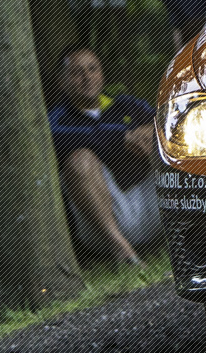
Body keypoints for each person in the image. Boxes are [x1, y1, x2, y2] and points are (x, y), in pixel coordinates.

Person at [47, 46, 160, 266]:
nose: (87, 77)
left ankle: (199, 237)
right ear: (62, 82)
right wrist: (123, 138)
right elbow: (71, 137)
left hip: (149, 203)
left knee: (176, 142)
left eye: (92, 69)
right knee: (80, 160)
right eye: (77, 72)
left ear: (101, 72)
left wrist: (151, 131)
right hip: (103, 224)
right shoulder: (55, 120)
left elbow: (168, 121)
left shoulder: (127, 104)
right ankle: (124, 254)